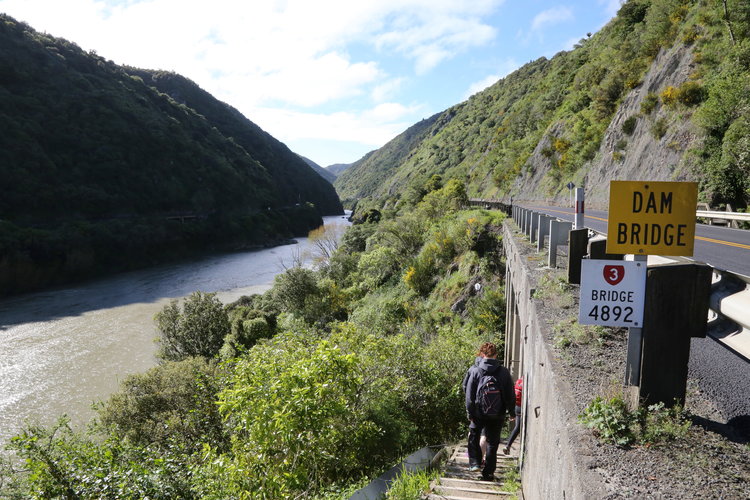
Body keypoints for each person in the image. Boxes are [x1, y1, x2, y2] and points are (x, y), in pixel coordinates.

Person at [465, 342, 514, 481]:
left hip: (478, 413)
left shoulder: (475, 371)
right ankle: (488, 473)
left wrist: (470, 413)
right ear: (496, 355)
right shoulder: (504, 372)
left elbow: (469, 396)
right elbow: (510, 394)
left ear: (482, 354)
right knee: (492, 443)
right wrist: (511, 412)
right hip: (498, 414)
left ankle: (474, 462)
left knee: (474, 436)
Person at [503, 376, 523, 455]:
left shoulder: (519, 381)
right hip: (521, 406)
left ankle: (508, 445)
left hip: (516, 406)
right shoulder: (525, 382)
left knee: (517, 427)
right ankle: (508, 445)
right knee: (518, 427)